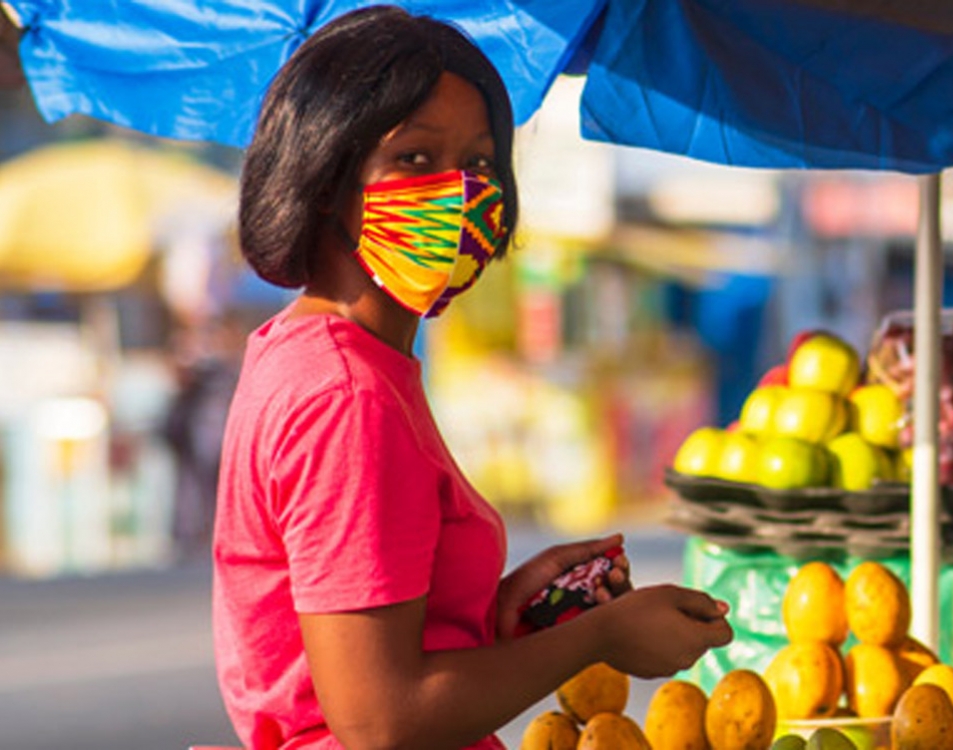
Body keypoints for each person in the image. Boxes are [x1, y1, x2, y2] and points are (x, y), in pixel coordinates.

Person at [213, 8, 733, 749]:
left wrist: (492, 616)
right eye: (417, 160)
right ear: (329, 178)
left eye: (479, 165)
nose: (458, 193)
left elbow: (347, 637)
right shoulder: (345, 396)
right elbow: (379, 720)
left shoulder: (324, 357)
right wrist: (602, 636)